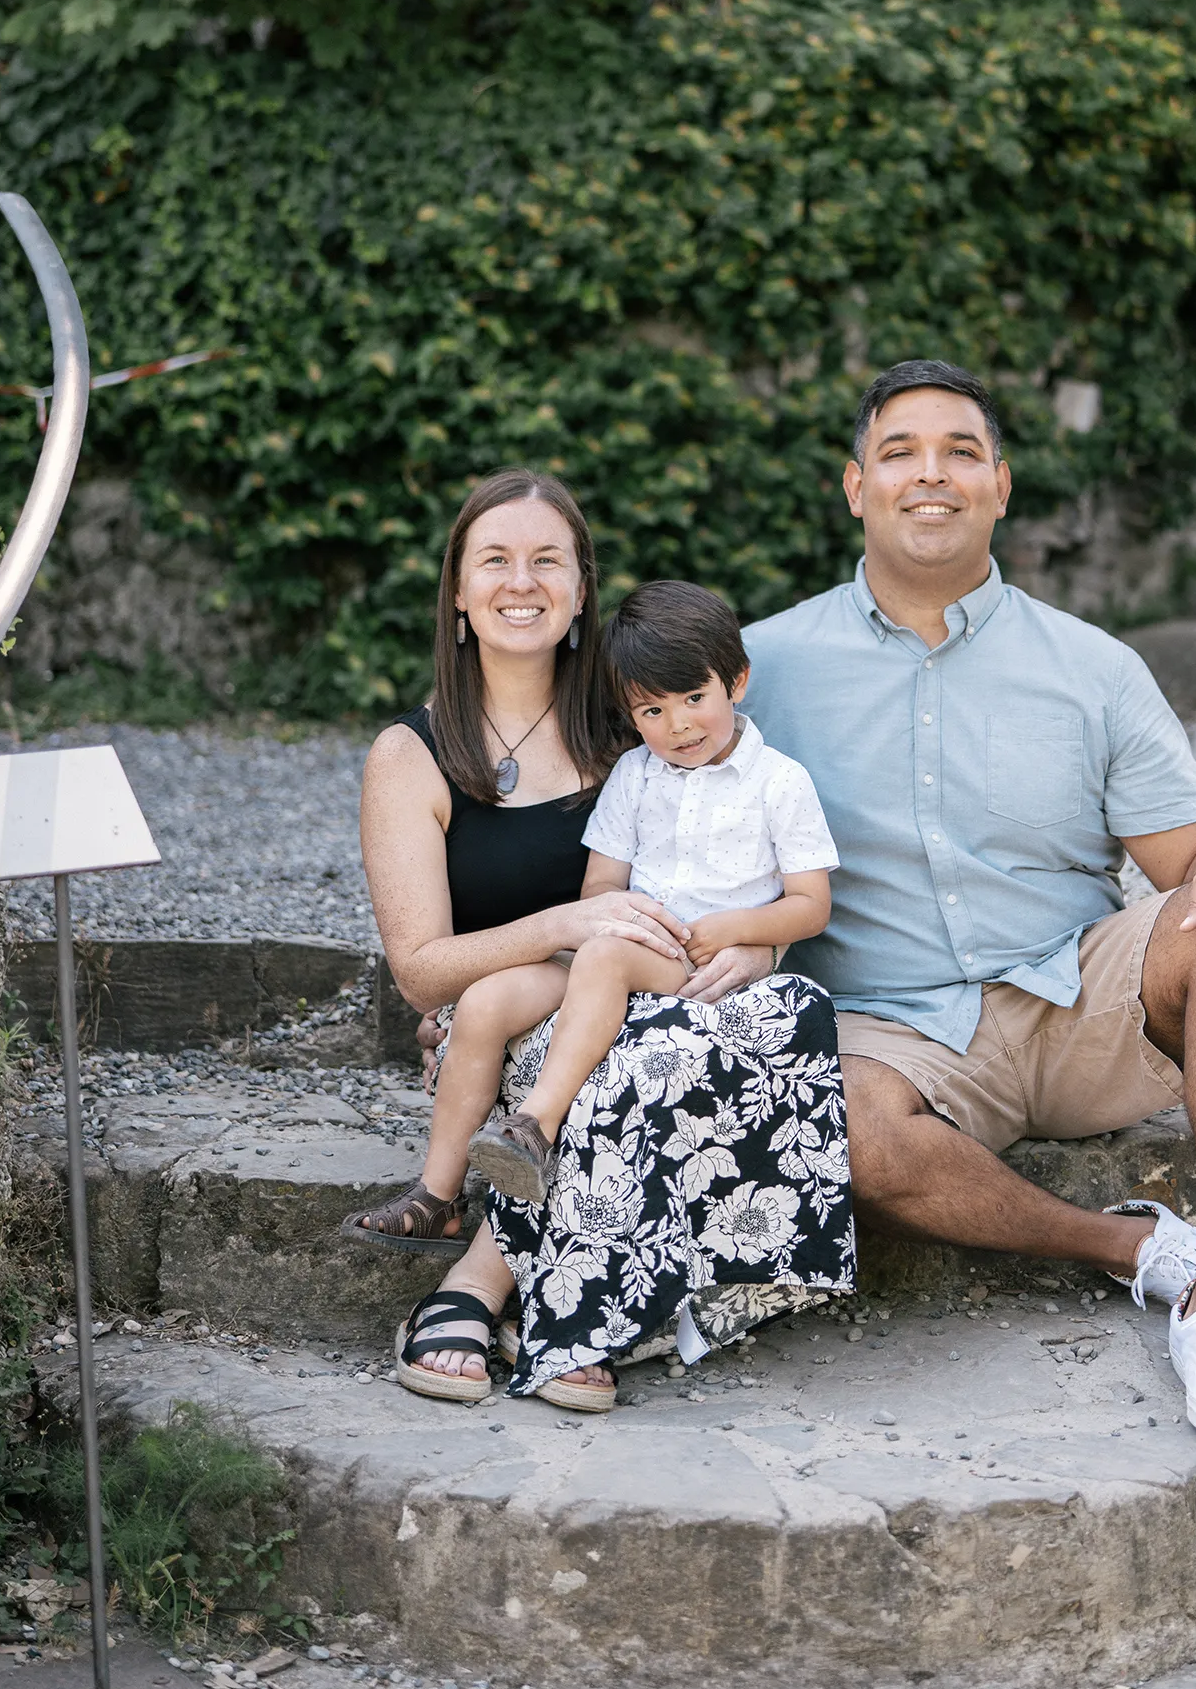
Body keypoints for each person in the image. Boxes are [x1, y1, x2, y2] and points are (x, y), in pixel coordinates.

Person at [743, 359, 1196, 1442]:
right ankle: (1133, 1248)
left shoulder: (1091, 667)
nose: (930, 475)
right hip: (890, 1028)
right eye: (898, 453)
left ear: (1000, 485)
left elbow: (1190, 851)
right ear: (855, 488)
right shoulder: (762, 668)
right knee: (841, 1125)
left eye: (959, 452)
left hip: (1067, 994)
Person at [350, 469, 855, 1411]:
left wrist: (756, 945)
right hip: (502, 1019)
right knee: (610, 1065)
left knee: (648, 1056)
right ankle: (511, 1292)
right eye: (493, 560)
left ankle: (517, 1296)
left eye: (549, 560)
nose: (521, 581)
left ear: (581, 591)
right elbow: (421, 975)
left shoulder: (640, 729)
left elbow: (736, 869)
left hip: (656, 993)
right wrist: (565, 926)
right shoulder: (411, 754)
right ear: (457, 591)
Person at [470, 578, 839, 1202]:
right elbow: (603, 886)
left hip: (710, 967)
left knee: (606, 957)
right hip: (643, 945)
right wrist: (618, 918)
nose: (679, 725)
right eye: (652, 711)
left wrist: (734, 928)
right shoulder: (635, 776)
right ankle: (441, 1185)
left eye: (695, 697)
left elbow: (812, 907)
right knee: (505, 991)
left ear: (737, 681)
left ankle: (537, 1123)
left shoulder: (780, 782)